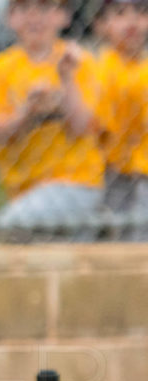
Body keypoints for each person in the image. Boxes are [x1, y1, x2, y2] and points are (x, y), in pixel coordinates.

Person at [0, 0, 106, 225]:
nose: (34, 17)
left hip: (75, 181)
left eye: (44, 8)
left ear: (64, 16)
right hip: (23, 190)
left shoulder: (78, 61)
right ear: (10, 18)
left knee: (9, 225)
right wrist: (27, 113)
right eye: (24, 9)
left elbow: (82, 126)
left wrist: (65, 78)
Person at [94, 0, 148, 220]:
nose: (132, 22)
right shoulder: (97, 67)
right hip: (107, 170)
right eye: (120, 13)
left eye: (141, 12)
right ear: (101, 25)